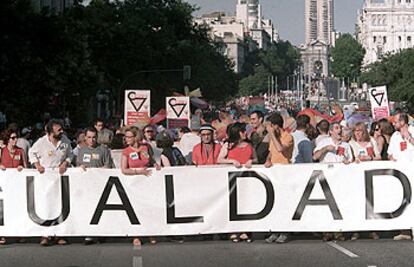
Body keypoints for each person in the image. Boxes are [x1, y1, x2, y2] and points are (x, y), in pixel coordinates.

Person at [28, 119, 73, 246]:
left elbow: (70, 154)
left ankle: (59, 235)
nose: (61, 131)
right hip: (45, 177)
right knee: (46, 205)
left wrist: (65, 162)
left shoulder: (65, 140)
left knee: (60, 204)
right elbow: (31, 153)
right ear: (50, 132)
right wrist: (37, 165)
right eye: (58, 130)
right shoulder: (41, 142)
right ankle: (45, 235)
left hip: (59, 176)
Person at [313, 121, 353, 241]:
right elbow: (315, 157)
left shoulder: (345, 145)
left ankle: (338, 231)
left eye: (340, 128)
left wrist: (347, 161)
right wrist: (325, 149)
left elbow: (350, 160)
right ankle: (327, 231)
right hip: (326, 176)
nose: (339, 130)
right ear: (331, 131)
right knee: (327, 204)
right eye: (336, 128)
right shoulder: (324, 142)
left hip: (340, 177)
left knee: (339, 204)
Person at [121, 127, 159, 245]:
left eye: (129, 137)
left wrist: (155, 164)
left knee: (148, 208)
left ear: (136, 137)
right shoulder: (126, 151)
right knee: (136, 209)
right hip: (134, 183)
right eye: (126, 137)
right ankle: (136, 235)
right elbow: (124, 170)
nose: (126, 139)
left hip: (147, 183)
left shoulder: (145, 147)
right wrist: (139, 172)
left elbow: (150, 159)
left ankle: (150, 233)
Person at [217, 122, 254, 243]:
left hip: (247, 179)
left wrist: (251, 161)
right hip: (232, 180)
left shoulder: (249, 144)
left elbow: (256, 158)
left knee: (247, 204)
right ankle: (233, 230)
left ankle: (245, 230)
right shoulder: (227, 145)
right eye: (243, 131)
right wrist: (232, 161)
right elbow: (219, 159)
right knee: (232, 204)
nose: (245, 133)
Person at [76, 127, 113, 245]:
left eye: (94, 137)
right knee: (88, 209)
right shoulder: (81, 151)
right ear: (85, 138)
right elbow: (78, 166)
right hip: (86, 186)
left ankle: (101, 232)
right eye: (89, 137)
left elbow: (108, 166)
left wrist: (96, 171)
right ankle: (89, 234)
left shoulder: (103, 150)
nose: (92, 140)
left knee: (101, 210)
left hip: (100, 184)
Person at [264, 113, 294, 244]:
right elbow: (272, 152)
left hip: (284, 173)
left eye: (270, 126)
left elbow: (280, 148)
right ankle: (274, 230)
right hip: (273, 173)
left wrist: (271, 134)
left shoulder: (288, 137)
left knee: (283, 203)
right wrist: (268, 160)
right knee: (273, 203)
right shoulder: (273, 137)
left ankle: (284, 231)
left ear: (276, 126)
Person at [387, 113, 414, 241]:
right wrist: (392, 158)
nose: (393, 123)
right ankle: (405, 231)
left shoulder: (413, 131)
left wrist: (409, 138)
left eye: (395, 121)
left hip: (412, 171)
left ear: (403, 122)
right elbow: (390, 153)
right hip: (400, 174)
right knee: (403, 200)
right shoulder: (395, 136)